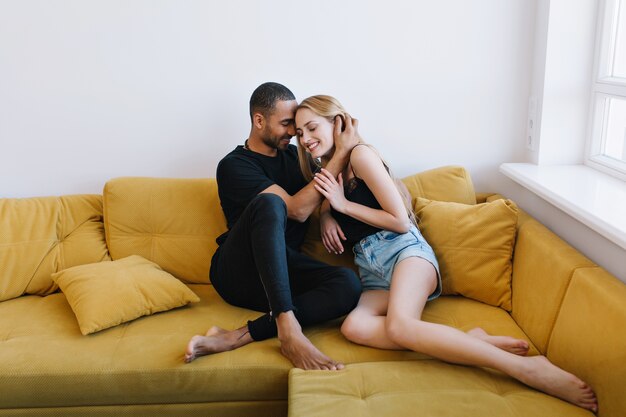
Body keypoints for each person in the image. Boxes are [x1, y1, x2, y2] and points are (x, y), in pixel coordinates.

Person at [294, 94, 598, 412]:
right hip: (374, 272)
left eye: (312, 127)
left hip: (405, 253)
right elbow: (326, 203)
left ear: (337, 122)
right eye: (300, 133)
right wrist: (328, 214)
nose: (305, 139)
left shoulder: (361, 156)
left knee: (400, 326)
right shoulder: (333, 171)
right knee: (353, 327)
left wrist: (342, 206)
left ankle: (526, 369)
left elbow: (399, 220)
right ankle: (470, 340)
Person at [184, 83, 362, 370]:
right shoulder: (233, 165)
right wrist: (341, 154)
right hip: (239, 272)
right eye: (286, 124)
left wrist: (328, 212)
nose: (294, 133)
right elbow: (297, 210)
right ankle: (289, 332)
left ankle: (238, 336)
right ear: (259, 120)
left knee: (349, 285)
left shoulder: (295, 158)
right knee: (270, 203)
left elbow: (327, 189)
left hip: (281, 270)